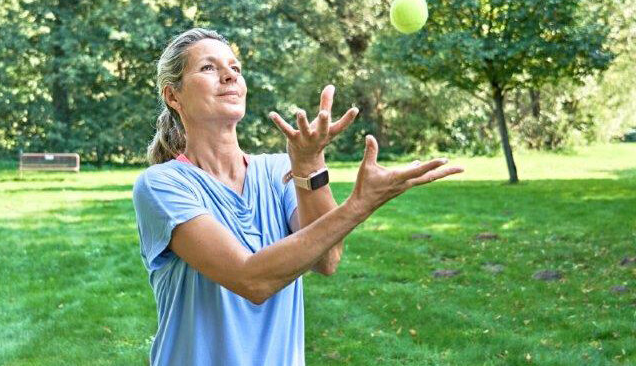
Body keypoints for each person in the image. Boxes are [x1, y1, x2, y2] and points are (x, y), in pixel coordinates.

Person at [132, 28, 463, 366]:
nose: (229, 74)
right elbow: (251, 279)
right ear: (174, 96)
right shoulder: (162, 185)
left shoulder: (278, 170)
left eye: (235, 67)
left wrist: (309, 164)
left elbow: (327, 259)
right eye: (208, 68)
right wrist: (360, 204)